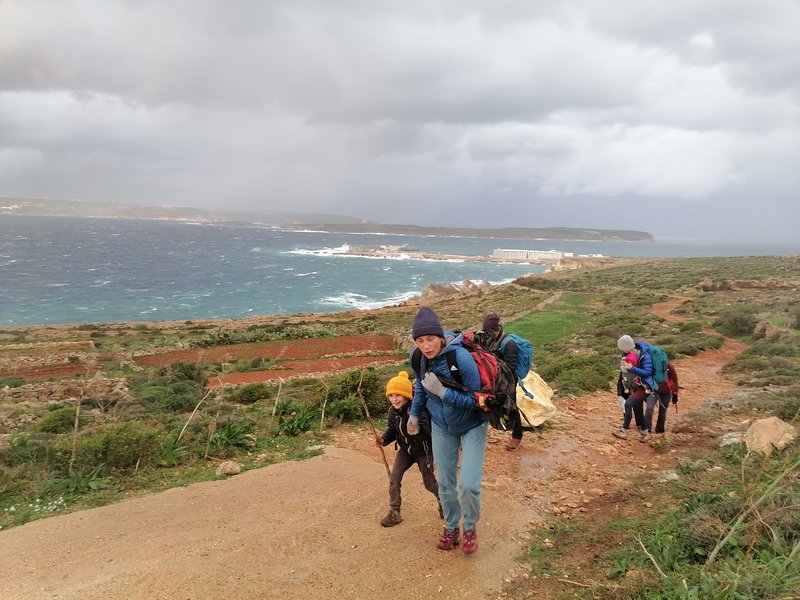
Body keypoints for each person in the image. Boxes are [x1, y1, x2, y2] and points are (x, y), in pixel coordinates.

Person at [407, 306, 487, 554]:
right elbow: (421, 388)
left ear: (440, 337)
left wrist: (443, 392)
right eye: (420, 340)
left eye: (430, 339)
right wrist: (414, 413)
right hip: (441, 426)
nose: (426, 346)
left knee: (469, 485)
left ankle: (470, 526)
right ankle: (452, 526)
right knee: (445, 483)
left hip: (472, 424)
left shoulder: (459, 358)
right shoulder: (418, 358)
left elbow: (477, 400)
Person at [375, 370, 441, 527]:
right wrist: (383, 440)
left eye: (398, 395)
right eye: (391, 395)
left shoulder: (417, 410)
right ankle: (394, 512)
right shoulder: (392, 412)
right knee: (394, 478)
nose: (394, 399)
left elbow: (428, 431)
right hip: (405, 451)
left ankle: (444, 502)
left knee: (429, 482)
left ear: (407, 395)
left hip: (424, 451)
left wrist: (416, 429)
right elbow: (393, 430)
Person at [479, 312, 525, 451]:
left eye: (490, 331)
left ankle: (517, 436)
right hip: (494, 381)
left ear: (497, 329)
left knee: (511, 407)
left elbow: (510, 369)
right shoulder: (489, 340)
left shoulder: (509, 344)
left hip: (509, 381)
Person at [612, 335, 658, 442]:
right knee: (638, 410)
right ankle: (645, 433)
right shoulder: (626, 355)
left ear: (626, 346)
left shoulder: (643, 355)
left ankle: (624, 431)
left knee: (628, 404)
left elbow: (648, 373)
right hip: (634, 386)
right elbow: (623, 372)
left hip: (645, 386)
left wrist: (632, 368)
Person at [648, 361, 679, 436]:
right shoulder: (650, 364)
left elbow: (674, 379)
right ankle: (647, 428)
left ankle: (659, 429)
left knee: (662, 411)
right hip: (653, 391)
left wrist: (675, 393)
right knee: (649, 409)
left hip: (666, 392)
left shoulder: (668, 366)